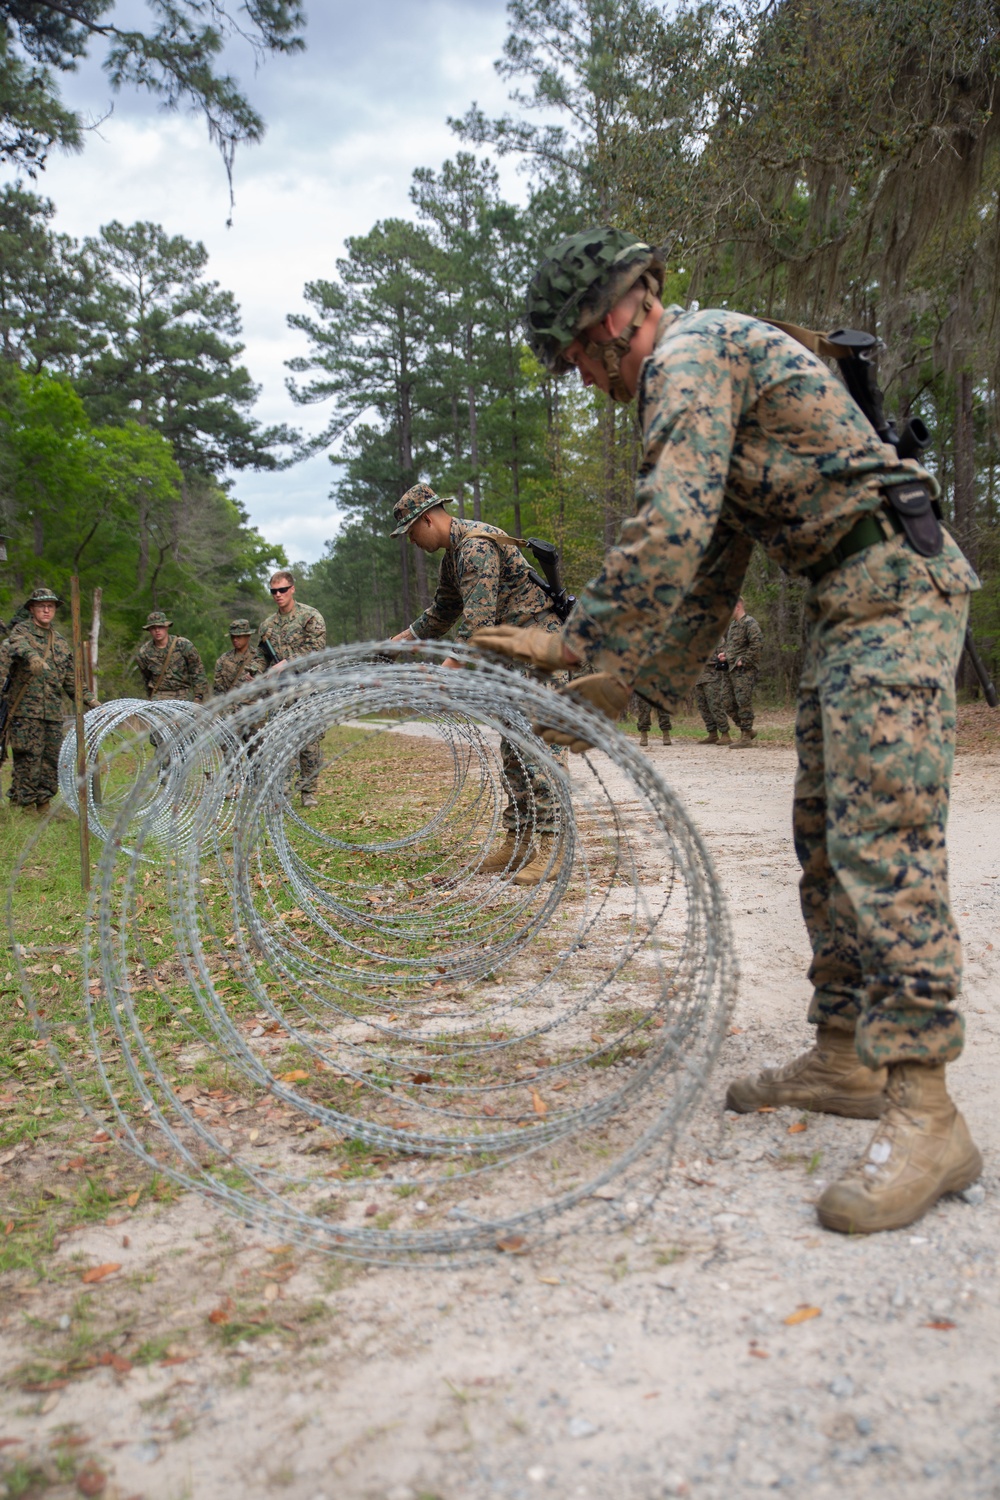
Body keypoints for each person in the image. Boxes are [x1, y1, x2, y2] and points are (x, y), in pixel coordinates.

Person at [471, 226, 981, 1236]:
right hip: (851, 599)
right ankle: (845, 1054)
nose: (577, 374)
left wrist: (579, 643)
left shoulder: (691, 354)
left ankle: (927, 1114)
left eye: (574, 350)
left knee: (880, 834)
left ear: (622, 312)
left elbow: (669, 519)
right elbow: (708, 572)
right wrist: (619, 690)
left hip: (892, 590)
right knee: (822, 832)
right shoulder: (702, 370)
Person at [389, 483, 566, 887]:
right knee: (514, 749)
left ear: (428, 519)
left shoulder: (474, 549)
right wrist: (401, 641)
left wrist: (444, 671)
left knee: (540, 746)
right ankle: (520, 841)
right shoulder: (453, 557)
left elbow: (478, 628)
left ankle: (556, 845)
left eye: (411, 532)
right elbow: (444, 611)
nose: (412, 542)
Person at [0, 586, 98, 812]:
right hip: (26, 711)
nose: (46, 609)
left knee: (51, 758)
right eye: (41, 606)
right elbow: (18, 646)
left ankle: (43, 803)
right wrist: (33, 657)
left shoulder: (61, 642)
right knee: (28, 759)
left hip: (52, 711)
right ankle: (23, 805)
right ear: (32, 609)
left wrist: (90, 701)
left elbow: (72, 680)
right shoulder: (22, 632)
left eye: (50, 606)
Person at [258, 571, 326, 809]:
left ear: (292, 589)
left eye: (282, 590)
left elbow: (316, 649)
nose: (278, 595)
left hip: (306, 686)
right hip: (279, 692)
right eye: (274, 591)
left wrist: (288, 662)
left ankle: (308, 790)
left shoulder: (310, 616)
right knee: (280, 740)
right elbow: (260, 658)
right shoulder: (267, 626)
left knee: (309, 742)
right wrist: (257, 672)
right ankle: (283, 789)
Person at [717, 597, 764, 748]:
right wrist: (725, 655)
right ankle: (748, 730)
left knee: (743, 701)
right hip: (730, 669)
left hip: (744, 670)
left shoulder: (750, 623)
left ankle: (745, 736)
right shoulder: (733, 625)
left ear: (737, 606)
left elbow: (757, 644)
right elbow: (733, 647)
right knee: (726, 701)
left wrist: (744, 660)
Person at [136, 611, 208, 703]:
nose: (157, 630)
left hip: (183, 694)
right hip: (159, 696)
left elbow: (197, 670)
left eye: (160, 627)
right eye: (153, 628)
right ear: (149, 630)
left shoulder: (183, 645)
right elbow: (146, 677)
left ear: (166, 627)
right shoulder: (144, 652)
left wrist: (198, 696)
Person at [213, 619, 265, 696]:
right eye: (232, 637)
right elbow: (218, 690)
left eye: (238, 636)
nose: (235, 640)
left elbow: (267, 685)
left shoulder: (259, 658)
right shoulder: (223, 660)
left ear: (248, 636)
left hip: (251, 705)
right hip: (228, 705)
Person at [694, 637, 730, 744]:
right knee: (703, 706)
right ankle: (712, 734)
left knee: (715, 705)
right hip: (698, 677)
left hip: (712, 676)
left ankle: (725, 734)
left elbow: (723, 655)